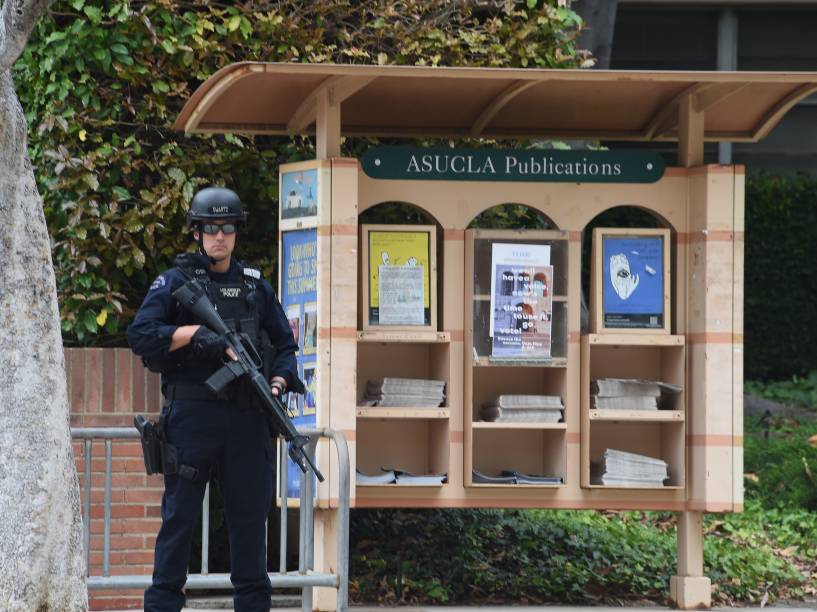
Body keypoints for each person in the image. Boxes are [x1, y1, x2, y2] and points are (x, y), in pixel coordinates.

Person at [127, 186, 304, 612]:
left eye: (227, 228)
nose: (219, 236)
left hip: (248, 420)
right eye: (210, 228)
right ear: (197, 233)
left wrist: (277, 385)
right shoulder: (176, 283)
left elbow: (284, 347)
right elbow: (141, 334)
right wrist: (192, 334)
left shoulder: (254, 286)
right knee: (178, 524)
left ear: (236, 232)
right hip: (192, 418)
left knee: (250, 528)